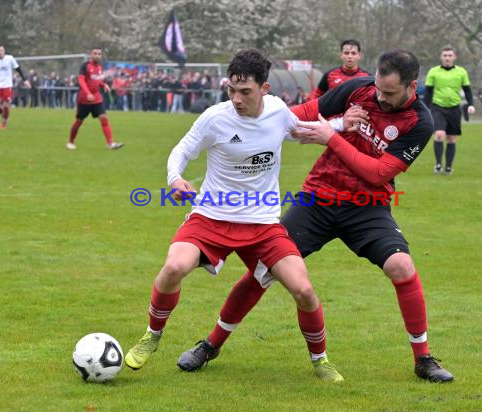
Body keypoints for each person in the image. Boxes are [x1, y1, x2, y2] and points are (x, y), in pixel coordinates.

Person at [177, 49, 454, 384]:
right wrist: (270, 119)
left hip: (367, 205)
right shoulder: (358, 89)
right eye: (379, 88)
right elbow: (299, 115)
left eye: (390, 93)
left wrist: (332, 137)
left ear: (412, 86)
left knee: (401, 266)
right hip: (317, 199)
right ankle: (211, 345)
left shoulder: (420, 122)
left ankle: (423, 358)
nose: (380, 97)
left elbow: (379, 173)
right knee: (264, 271)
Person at [125, 49, 351, 383]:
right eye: (232, 90)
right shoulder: (215, 117)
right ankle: (151, 336)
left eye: (245, 91)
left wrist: (344, 124)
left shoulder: (277, 112)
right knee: (173, 268)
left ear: (265, 88)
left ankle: (321, 360)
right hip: (211, 217)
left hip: (262, 225)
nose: (236, 98)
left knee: (303, 290)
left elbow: (301, 132)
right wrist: (175, 177)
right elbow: (182, 149)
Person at [424, 45, 474, 175]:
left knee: (451, 139)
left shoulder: (461, 72)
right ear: (441, 57)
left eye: (450, 55)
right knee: (439, 135)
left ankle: (449, 167)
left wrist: (471, 104)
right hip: (437, 107)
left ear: (454, 57)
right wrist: (425, 109)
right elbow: (428, 92)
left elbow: (467, 90)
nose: (447, 58)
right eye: (445, 55)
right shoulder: (433, 72)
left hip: (454, 109)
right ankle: (438, 164)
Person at [66, 48, 124, 150]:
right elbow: (81, 80)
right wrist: (88, 93)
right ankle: (70, 142)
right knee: (79, 121)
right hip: (84, 99)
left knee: (104, 118)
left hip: (96, 98)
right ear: (91, 54)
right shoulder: (85, 66)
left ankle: (110, 143)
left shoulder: (100, 67)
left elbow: (96, 80)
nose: (97, 55)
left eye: (99, 54)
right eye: (95, 53)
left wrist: (103, 84)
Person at [0, 45, 30, 129]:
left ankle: (4, 121)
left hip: (7, 85)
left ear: (4, 51)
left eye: (1, 51)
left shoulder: (10, 58)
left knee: (5, 105)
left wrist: (25, 80)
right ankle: (4, 115)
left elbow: (18, 69)